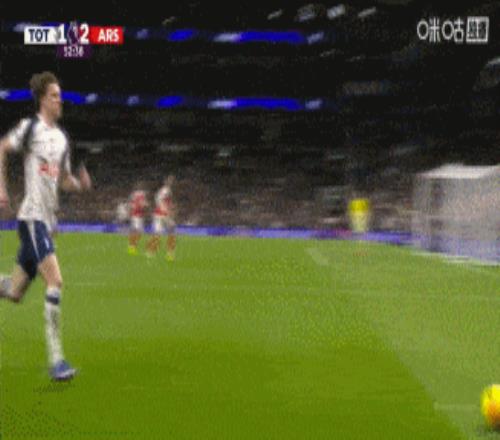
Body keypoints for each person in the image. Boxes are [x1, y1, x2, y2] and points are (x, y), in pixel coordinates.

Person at [0, 71, 92, 381]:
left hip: (45, 222)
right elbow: (2, 147)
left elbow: (63, 180)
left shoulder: (62, 139)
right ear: (42, 99)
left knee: (15, 291)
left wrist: (79, 184)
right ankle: (57, 361)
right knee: (55, 280)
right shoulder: (30, 128)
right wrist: (1, 188)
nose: (59, 100)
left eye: (60, 95)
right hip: (32, 218)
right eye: (54, 96)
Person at [146, 175, 176, 261]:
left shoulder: (163, 190)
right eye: (170, 180)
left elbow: (159, 199)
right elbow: (161, 200)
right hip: (163, 214)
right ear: (166, 181)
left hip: (159, 214)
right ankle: (169, 254)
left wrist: (168, 208)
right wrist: (166, 210)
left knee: (158, 234)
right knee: (170, 233)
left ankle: (150, 252)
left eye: (172, 180)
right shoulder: (166, 190)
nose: (171, 182)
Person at [128, 182, 148, 255]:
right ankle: (132, 246)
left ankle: (132, 245)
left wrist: (131, 210)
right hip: (137, 215)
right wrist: (145, 205)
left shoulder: (134, 194)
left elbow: (131, 204)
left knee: (137, 232)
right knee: (137, 231)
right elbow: (142, 204)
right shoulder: (142, 194)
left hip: (136, 215)